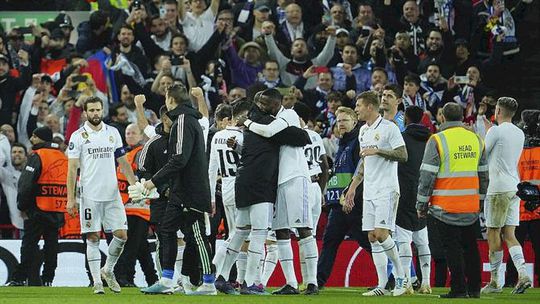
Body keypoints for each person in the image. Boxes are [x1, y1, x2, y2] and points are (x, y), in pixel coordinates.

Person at [215, 89, 310, 295]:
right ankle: (251, 283)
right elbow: (300, 136)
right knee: (258, 233)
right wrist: (303, 132)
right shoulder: (267, 124)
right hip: (261, 183)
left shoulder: (250, 128)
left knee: (240, 231)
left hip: (242, 180)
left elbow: (253, 148)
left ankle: (222, 277)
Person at [244, 89, 321, 295]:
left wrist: (248, 123)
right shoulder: (272, 119)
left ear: (276, 103)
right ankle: (291, 283)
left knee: (304, 228)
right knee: (281, 232)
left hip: (296, 176)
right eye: (258, 102)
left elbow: (269, 132)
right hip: (278, 181)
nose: (260, 105)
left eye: (264, 102)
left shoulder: (288, 114)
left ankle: (312, 281)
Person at [140, 83, 215, 295]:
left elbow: (179, 158)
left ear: (171, 100)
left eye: (166, 97)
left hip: (190, 189)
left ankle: (209, 283)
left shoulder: (182, 120)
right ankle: (166, 279)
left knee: (198, 236)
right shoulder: (190, 120)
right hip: (180, 189)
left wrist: (153, 181)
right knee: (167, 230)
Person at [416, 102, 488, 298]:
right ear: (463, 117)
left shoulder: (437, 139)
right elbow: (483, 174)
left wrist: (421, 204)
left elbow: (427, 175)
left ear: (442, 117)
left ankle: (458, 289)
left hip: (445, 206)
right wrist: (480, 200)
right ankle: (474, 288)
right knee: (471, 247)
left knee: (452, 248)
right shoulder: (476, 139)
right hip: (470, 205)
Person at [67, 96, 137, 294]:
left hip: (112, 194)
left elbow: (123, 162)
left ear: (102, 110)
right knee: (93, 237)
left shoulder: (113, 132)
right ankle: (97, 282)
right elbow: (72, 170)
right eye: (92, 110)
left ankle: (108, 270)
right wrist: (71, 199)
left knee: (122, 235)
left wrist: (135, 186)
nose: (96, 114)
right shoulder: (78, 136)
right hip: (89, 194)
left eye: (98, 110)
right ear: (85, 112)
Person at [346, 91, 409, 297]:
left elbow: (403, 154)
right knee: (373, 237)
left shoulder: (389, 128)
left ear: (370, 107)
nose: (356, 109)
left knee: (382, 234)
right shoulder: (363, 130)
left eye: (358, 105)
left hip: (387, 189)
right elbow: (364, 161)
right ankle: (382, 285)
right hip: (370, 190)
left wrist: (379, 151)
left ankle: (402, 276)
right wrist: (353, 187)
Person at [481, 97, 532, 294]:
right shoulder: (519, 133)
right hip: (513, 187)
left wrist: (486, 134)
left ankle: (494, 281)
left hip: (498, 188)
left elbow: (483, 155)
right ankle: (523, 274)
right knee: (509, 234)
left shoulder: (495, 130)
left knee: (494, 232)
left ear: (498, 111)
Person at [317, 106, 371, 288]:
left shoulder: (356, 142)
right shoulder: (343, 144)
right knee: (329, 242)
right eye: (338, 121)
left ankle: (393, 277)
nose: (340, 124)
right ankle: (317, 281)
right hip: (338, 205)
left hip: (353, 204)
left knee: (368, 242)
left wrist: (352, 197)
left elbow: (361, 173)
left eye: (344, 120)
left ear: (354, 122)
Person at [7, 127, 66, 287]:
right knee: (51, 246)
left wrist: (22, 205)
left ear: (41, 138)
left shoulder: (37, 156)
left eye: (34, 136)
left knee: (29, 245)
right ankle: (48, 278)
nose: (32, 139)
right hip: (57, 208)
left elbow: (26, 184)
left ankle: (20, 278)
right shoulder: (62, 156)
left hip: (38, 208)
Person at [114, 124, 158, 288]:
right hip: (130, 206)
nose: (130, 135)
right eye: (127, 132)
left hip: (138, 206)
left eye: (133, 132)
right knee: (141, 247)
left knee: (131, 245)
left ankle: (125, 277)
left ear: (141, 136)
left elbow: (143, 175)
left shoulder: (140, 153)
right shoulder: (127, 154)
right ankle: (151, 279)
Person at [395, 106, 432, 294]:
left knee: (403, 240)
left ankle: (407, 283)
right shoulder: (431, 140)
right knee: (422, 240)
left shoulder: (401, 138)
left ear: (406, 119)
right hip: (424, 193)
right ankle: (426, 282)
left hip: (404, 192)